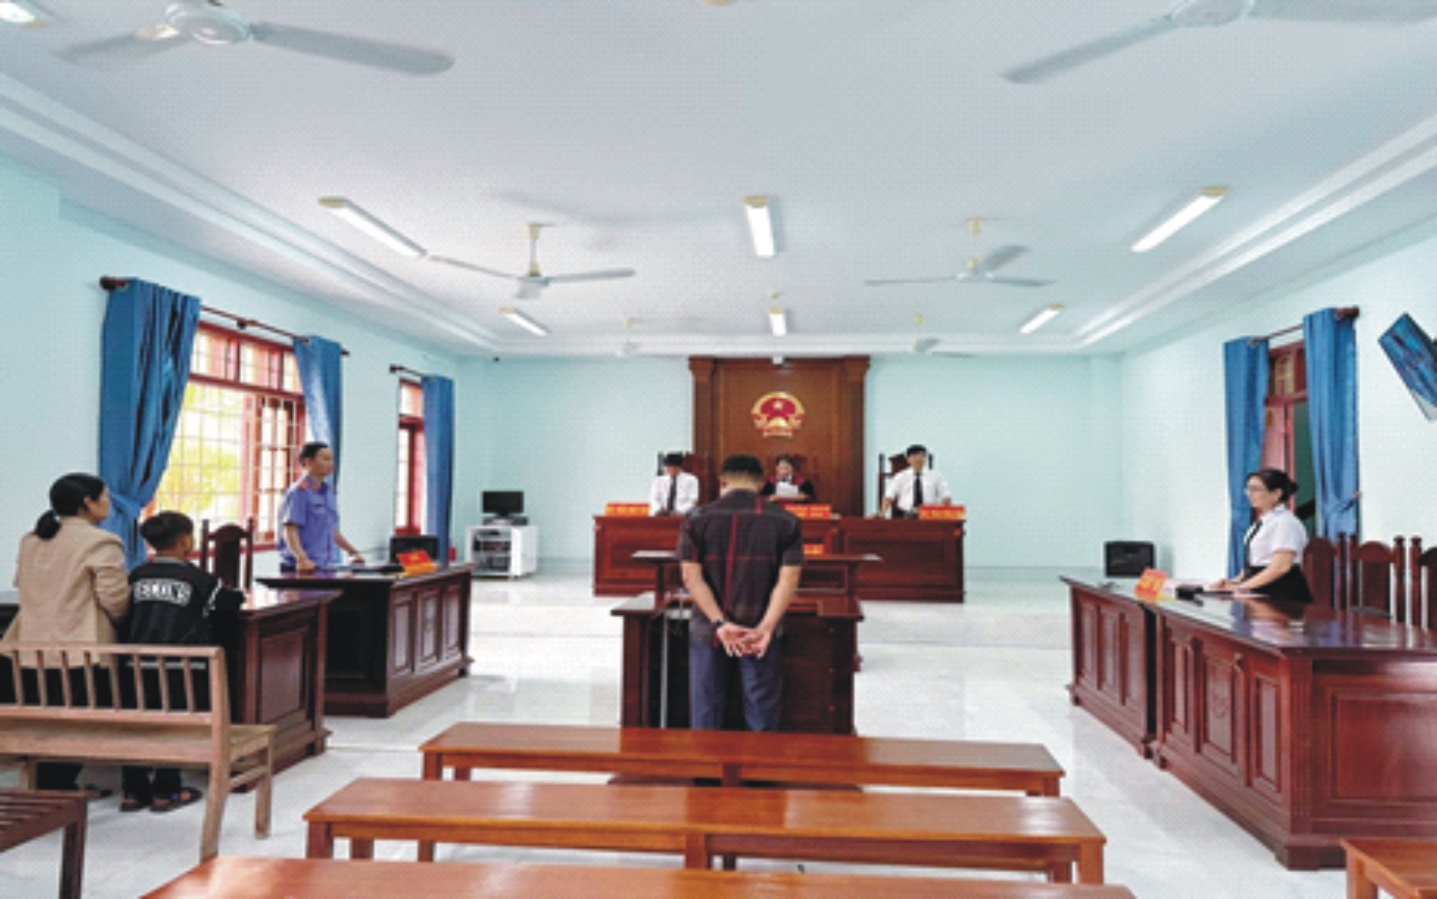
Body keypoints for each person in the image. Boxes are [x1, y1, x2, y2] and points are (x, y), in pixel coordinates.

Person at [3, 473, 129, 793]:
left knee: (43, 720)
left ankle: (46, 787)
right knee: (77, 722)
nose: (109, 503)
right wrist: (123, 622)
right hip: (79, 647)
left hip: (29, 646)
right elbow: (114, 598)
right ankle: (59, 792)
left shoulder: (31, 539)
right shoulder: (101, 542)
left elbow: (21, 583)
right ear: (88, 503)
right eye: (105, 497)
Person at [119, 511, 246, 813]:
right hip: (182, 667)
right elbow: (229, 603)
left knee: (137, 725)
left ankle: (134, 791)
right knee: (173, 726)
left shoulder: (137, 576)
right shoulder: (196, 578)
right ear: (186, 540)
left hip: (136, 667)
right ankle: (167, 791)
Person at [678, 453, 804, 731]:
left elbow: (691, 578)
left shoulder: (696, 519)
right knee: (762, 708)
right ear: (761, 484)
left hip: (710, 627)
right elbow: (789, 580)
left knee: (707, 708)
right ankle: (759, 759)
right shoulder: (786, 521)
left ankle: (705, 759)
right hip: (759, 630)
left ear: (722, 482)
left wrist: (721, 623)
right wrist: (766, 628)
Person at [1213, 468, 1314, 604]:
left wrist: (1241, 587)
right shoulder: (1263, 521)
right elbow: (1257, 560)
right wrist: (1234, 582)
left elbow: (1281, 566)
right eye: (1248, 489)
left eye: (1256, 489)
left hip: (1281, 591)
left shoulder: (1285, 522)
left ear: (1276, 493)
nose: (1250, 494)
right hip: (1260, 586)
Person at [278, 442, 364, 572]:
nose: (331, 463)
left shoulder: (328, 492)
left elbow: (332, 531)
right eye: (325, 459)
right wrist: (301, 558)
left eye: (331, 459)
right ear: (308, 462)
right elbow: (290, 530)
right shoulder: (299, 492)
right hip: (303, 567)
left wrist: (353, 552)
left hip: (327, 565)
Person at [878, 444, 952, 518]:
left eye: (922, 456)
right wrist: (882, 513)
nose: (918, 459)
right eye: (915, 456)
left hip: (930, 516)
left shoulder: (936, 477)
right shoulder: (900, 477)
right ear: (908, 459)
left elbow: (946, 497)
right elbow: (889, 496)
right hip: (906, 516)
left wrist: (945, 515)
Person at [649, 451, 700, 517]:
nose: (669, 469)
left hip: (682, 515)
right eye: (667, 467)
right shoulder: (658, 480)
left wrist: (680, 511)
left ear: (679, 467)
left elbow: (692, 500)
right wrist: (659, 509)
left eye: (672, 467)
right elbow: (654, 498)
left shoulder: (691, 480)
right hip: (660, 515)